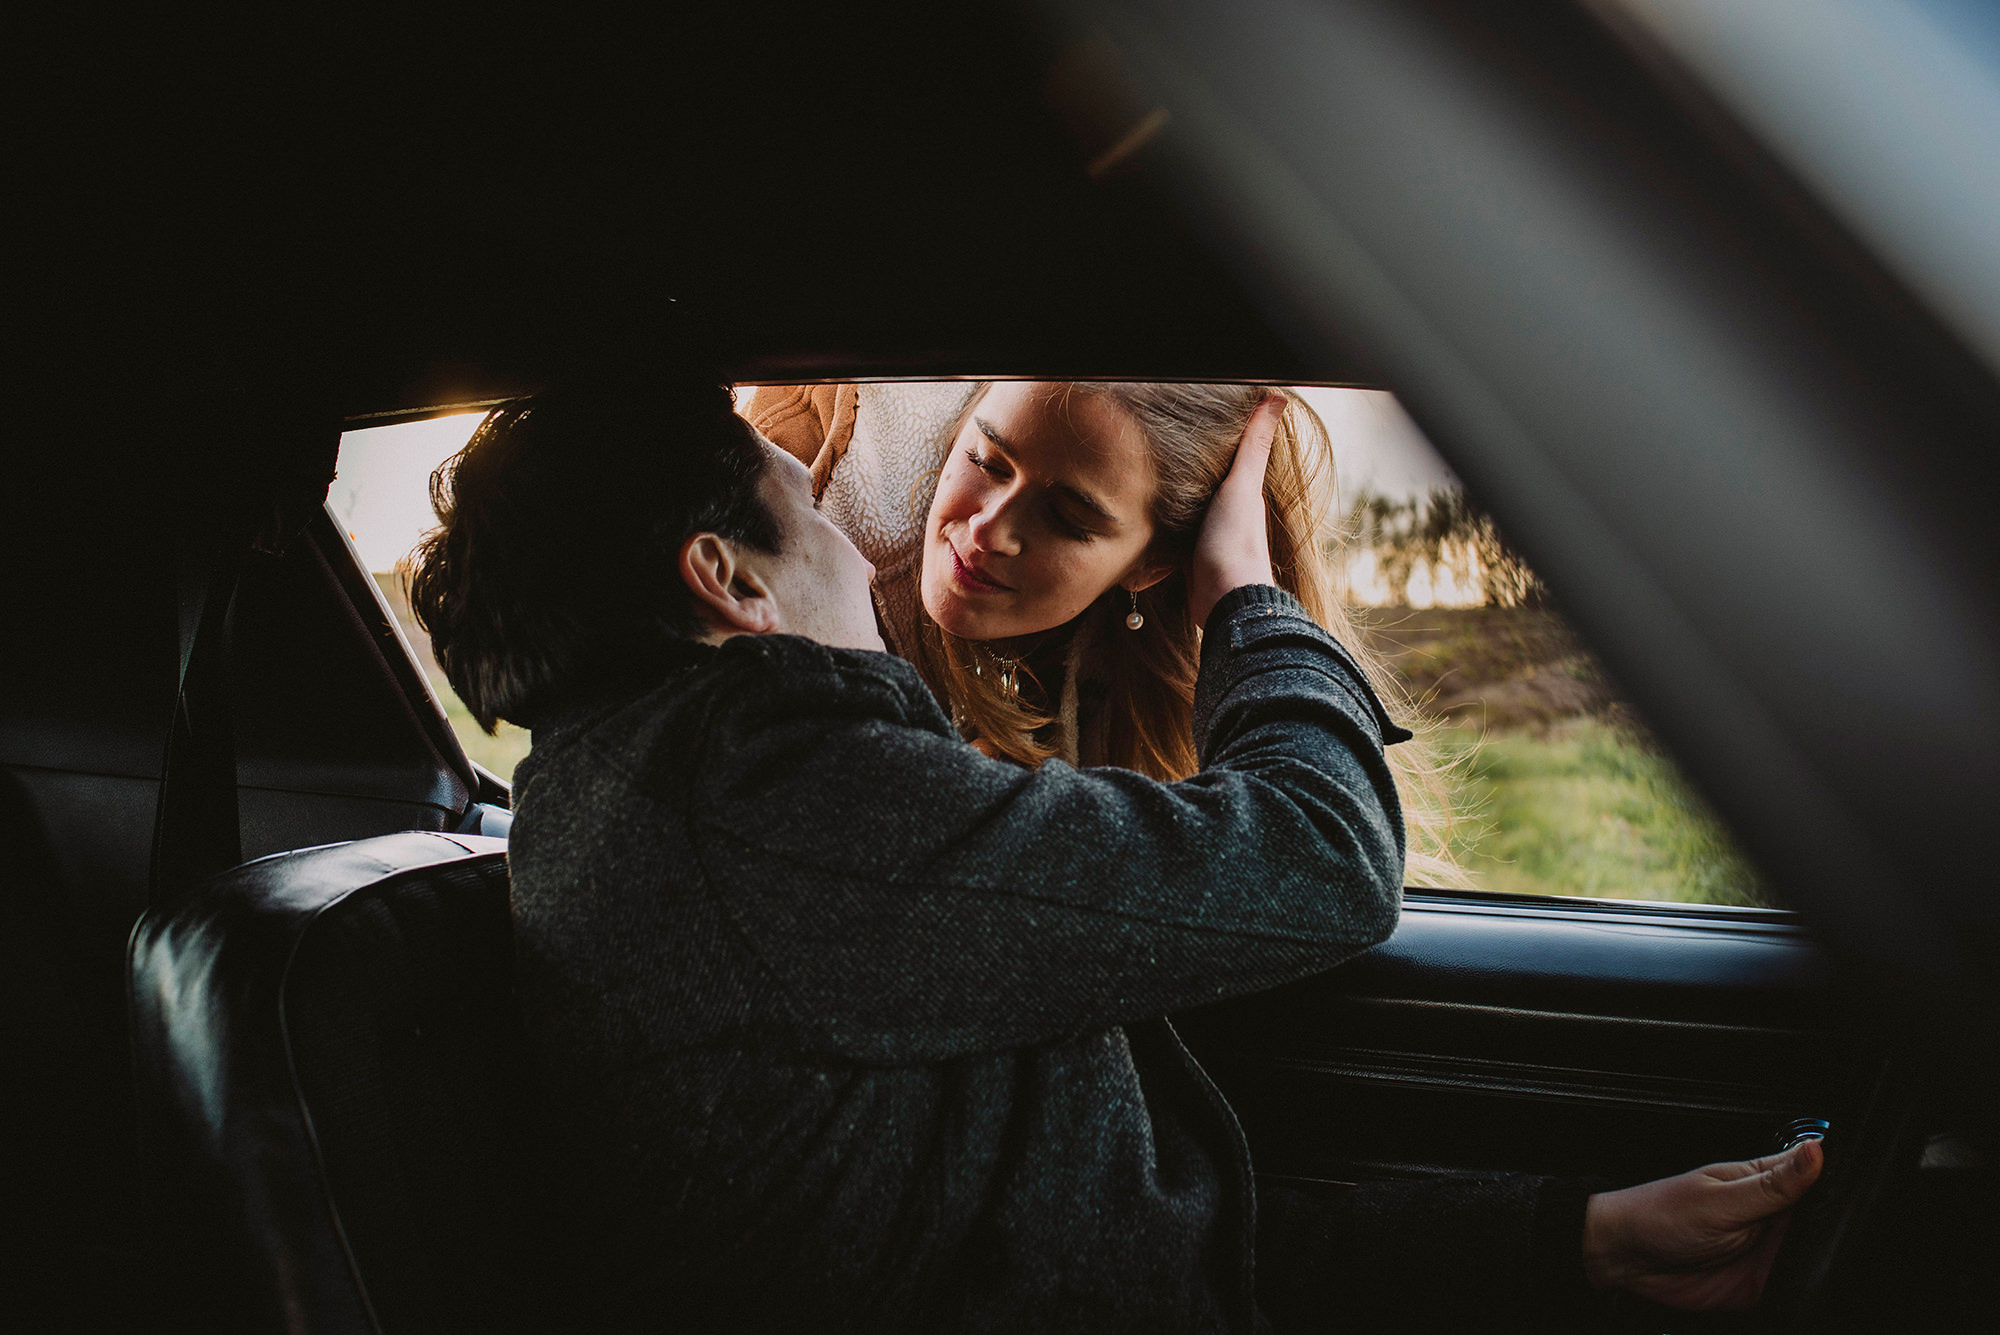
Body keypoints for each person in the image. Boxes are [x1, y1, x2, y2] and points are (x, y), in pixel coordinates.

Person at [409, 380, 1822, 1332]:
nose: (873, 535)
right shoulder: (763, 792)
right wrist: (1250, 599)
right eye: (814, 506)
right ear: (728, 578)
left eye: (1073, 513)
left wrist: (1569, 1238)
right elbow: (1326, 853)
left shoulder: (694, 789)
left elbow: (1090, 1254)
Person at [744, 381, 1465, 884]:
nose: (989, 528)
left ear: (1150, 566)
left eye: (1069, 518)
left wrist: (1242, 596)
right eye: (986, 459)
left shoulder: (1114, 727)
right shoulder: (813, 563)